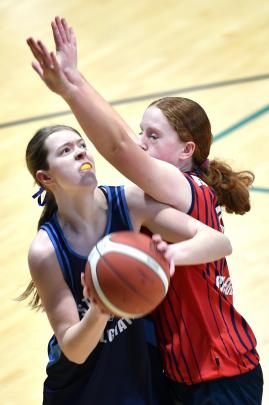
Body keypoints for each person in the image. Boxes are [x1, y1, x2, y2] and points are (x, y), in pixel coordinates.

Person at [26, 17, 263, 404]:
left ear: (187, 151)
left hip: (219, 370)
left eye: (153, 136)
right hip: (177, 372)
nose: (141, 144)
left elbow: (117, 146)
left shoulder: (182, 187)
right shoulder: (161, 195)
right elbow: (122, 138)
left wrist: (71, 87)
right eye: (142, 132)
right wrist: (74, 79)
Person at [20, 124, 232, 405]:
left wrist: (167, 256)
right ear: (46, 177)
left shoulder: (129, 202)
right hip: (83, 388)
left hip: (142, 374)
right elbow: (74, 350)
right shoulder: (45, 251)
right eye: (66, 151)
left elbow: (219, 243)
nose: (80, 153)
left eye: (81, 145)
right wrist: (99, 309)